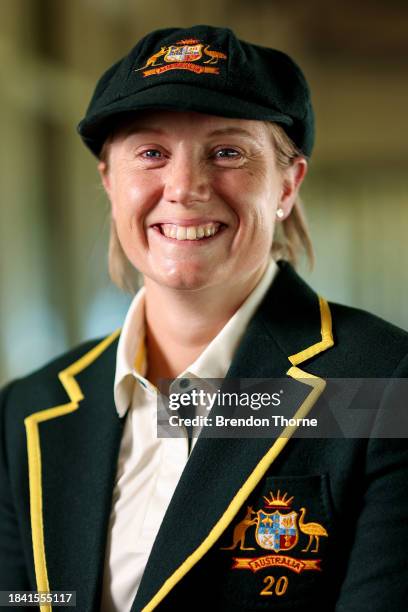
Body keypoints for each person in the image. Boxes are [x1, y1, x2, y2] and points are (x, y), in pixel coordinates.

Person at [0, 24, 407, 612]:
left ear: (287, 185)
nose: (185, 187)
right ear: (109, 182)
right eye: (150, 154)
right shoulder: (30, 412)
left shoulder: (382, 385)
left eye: (227, 152)